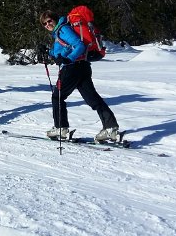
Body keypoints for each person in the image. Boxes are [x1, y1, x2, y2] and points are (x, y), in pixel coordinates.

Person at [39, 10, 120, 142]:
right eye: (44, 23)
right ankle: (110, 128)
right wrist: (49, 52)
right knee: (93, 99)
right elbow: (62, 52)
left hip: (72, 68)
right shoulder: (59, 32)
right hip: (82, 67)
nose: (48, 24)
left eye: (49, 21)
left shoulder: (63, 29)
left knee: (57, 97)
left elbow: (79, 45)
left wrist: (69, 59)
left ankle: (61, 128)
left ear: (55, 19)